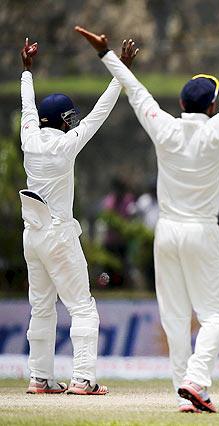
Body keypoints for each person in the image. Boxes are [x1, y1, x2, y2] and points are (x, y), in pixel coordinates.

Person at [76, 19, 219, 413]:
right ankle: (196, 382)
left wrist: (106, 53)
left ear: (181, 104)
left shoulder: (165, 128)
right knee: (215, 315)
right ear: (212, 106)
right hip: (201, 231)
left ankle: (186, 390)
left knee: (175, 317)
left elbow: (135, 90)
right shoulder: (218, 130)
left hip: (166, 233)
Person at [19, 37, 137, 395]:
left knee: (41, 308)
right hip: (57, 233)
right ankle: (84, 379)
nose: (75, 121)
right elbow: (101, 111)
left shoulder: (29, 137)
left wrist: (27, 70)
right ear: (61, 120)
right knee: (83, 308)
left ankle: (40, 378)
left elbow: (27, 105)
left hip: (32, 235)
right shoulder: (65, 145)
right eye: (69, 116)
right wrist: (122, 71)